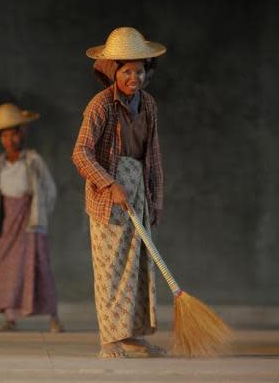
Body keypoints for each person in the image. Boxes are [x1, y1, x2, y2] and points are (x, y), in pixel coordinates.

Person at [72, 27, 166, 357]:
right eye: (127, 71)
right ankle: (109, 337)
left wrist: (154, 199)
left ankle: (132, 335)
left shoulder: (149, 106)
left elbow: (152, 155)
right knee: (111, 267)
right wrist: (110, 184)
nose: (134, 78)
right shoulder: (100, 106)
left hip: (137, 189)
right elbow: (81, 153)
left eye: (139, 71)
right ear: (114, 70)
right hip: (108, 196)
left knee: (138, 265)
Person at [0, 102, 63, 333]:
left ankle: (53, 318)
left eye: (14, 134)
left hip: (31, 223)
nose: (9, 140)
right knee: (4, 269)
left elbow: (50, 190)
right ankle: (10, 318)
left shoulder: (33, 161)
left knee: (39, 267)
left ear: (22, 134)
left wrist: (40, 213)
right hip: (7, 226)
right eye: (4, 135)